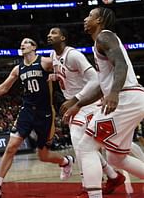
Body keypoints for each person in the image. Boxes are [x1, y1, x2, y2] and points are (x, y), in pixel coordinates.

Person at [0, 38, 74, 198]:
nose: (22, 44)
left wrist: (56, 76)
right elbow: (5, 87)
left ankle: (66, 161)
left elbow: (67, 69)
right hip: (27, 111)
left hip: (44, 113)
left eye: (27, 42)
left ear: (34, 47)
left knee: (43, 156)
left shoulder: (45, 62)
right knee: (11, 147)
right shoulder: (18, 68)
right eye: (21, 43)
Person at [63, 8, 144, 198]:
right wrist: (79, 104)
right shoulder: (100, 43)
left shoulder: (105, 37)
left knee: (86, 146)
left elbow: (121, 65)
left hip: (126, 97)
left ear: (99, 20)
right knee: (117, 157)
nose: (85, 19)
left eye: (90, 16)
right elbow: (102, 87)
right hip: (132, 98)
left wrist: (114, 94)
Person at [47, 27, 126, 195]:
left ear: (63, 37)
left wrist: (76, 99)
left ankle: (88, 184)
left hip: (87, 103)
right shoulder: (54, 56)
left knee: (79, 142)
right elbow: (64, 74)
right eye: (49, 33)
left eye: (54, 33)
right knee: (84, 145)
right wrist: (55, 76)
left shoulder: (74, 55)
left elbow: (95, 80)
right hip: (77, 105)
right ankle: (112, 176)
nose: (49, 35)